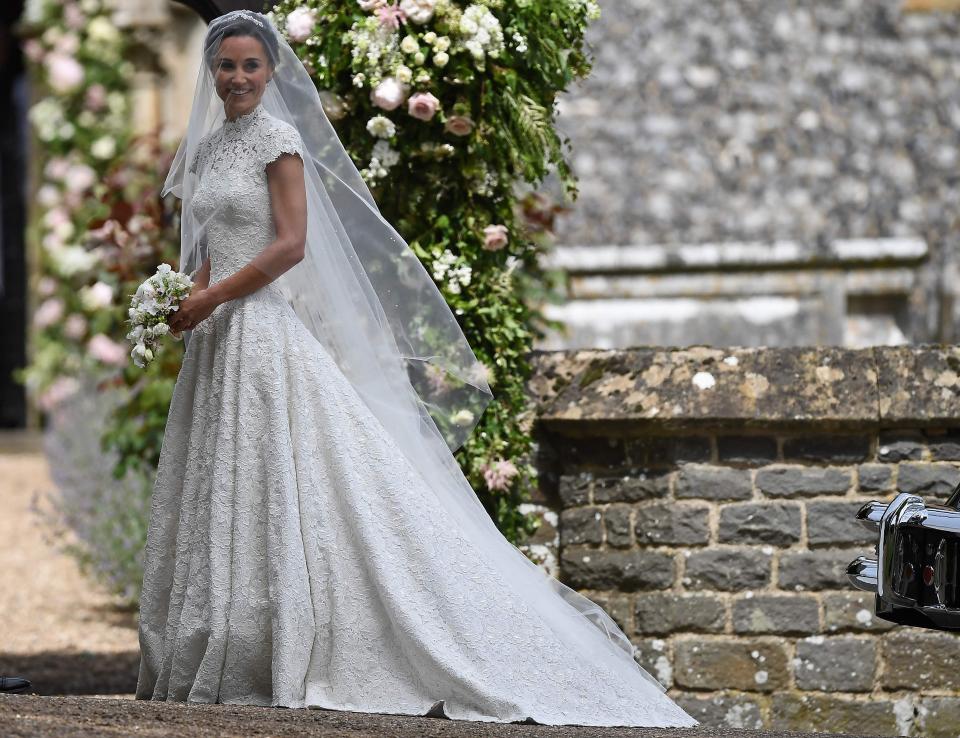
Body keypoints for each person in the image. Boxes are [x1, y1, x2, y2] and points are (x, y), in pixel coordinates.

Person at [134, 9, 695, 728]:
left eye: (249, 65)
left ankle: (314, 636)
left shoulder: (279, 142)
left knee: (298, 479)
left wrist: (213, 294)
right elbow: (218, 244)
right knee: (226, 479)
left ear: (270, 71)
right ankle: (235, 638)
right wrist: (183, 299)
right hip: (218, 337)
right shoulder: (211, 150)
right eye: (225, 65)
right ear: (211, 73)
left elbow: (290, 246)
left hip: (265, 331)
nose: (237, 77)